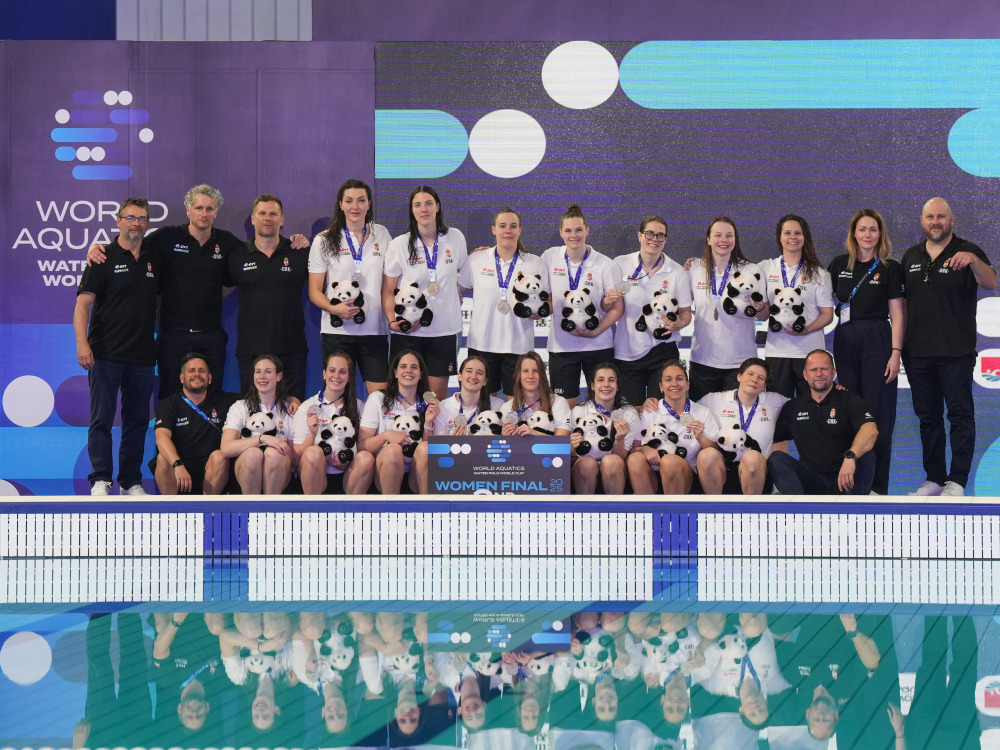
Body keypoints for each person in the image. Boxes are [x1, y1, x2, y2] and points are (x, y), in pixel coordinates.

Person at [86, 184, 309, 398]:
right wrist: (99, 248)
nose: (204, 213)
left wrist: (296, 240)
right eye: (199, 208)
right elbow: (132, 243)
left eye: (209, 209)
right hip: (173, 335)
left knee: (212, 398)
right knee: (169, 397)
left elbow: (259, 250)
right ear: (188, 210)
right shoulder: (166, 237)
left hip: (211, 335)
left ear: (216, 213)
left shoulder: (228, 243)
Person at [901, 197, 997, 497]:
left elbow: (991, 282)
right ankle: (934, 478)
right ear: (922, 220)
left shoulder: (968, 251)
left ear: (952, 219)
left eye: (941, 217)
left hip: (956, 353)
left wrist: (974, 262)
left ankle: (957, 480)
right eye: (930, 217)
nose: (935, 222)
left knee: (960, 416)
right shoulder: (911, 255)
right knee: (928, 419)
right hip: (917, 355)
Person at [74, 197, 159, 496]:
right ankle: (100, 478)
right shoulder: (102, 257)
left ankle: (131, 481)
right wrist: (82, 344)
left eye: (142, 218)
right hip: (105, 354)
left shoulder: (155, 257)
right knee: (101, 421)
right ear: (118, 220)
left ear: (147, 223)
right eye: (130, 218)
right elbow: (83, 305)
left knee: (137, 423)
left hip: (143, 357)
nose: (136, 223)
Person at [827, 209, 905, 496]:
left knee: (879, 413)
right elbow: (817, 298)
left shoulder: (890, 267)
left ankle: (877, 487)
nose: (868, 234)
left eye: (873, 229)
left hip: (878, 339)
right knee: (849, 410)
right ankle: (850, 484)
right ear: (853, 233)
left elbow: (898, 314)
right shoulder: (838, 265)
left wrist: (895, 352)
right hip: (845, 339)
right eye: (862, 229)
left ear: (880, 234)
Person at [381, 186, 468, 400]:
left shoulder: (455, 237)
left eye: (428, 203)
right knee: (404, 398)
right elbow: (388, 291)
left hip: (443, 331)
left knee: (435, 399)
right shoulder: (399, 244)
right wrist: (393, 322)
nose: (424, 209)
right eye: (417, 205)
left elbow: (463, 273)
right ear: (412, 210)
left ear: (437, 206)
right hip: (409, 332)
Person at [308, 179, 392, 395]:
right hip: (337, 331)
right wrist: (334, 308)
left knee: (381, 397)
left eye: (361, 200)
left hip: (374, 329)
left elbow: (392, 280)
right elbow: (314, 291)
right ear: (341, 204)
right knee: (339, 396)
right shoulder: (324, 240)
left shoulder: (382, 234)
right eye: (349, 201)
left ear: (369, 204)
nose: (355, 206)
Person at [227, 194, 311, 400]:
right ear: (253, 219)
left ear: (282, 219)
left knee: (294, 410)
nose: (267, 218)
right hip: (251, 350)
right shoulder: (237, 255)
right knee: (253, 412)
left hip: (292, 348)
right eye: (262, 213)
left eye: (273, 214)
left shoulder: (299, 252)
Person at [542, 204, 624, 408]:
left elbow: (617, 308)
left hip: (599, 346)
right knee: (563, 406)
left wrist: (596, 331)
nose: (574, 235)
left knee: (602, 404)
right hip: (562, 346)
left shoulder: (606, 264)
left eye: (579, 230)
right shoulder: (550, 257)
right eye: (568, 230)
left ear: (587, 230)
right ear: (561, 232)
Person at [460, 207, 548, 396]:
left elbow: (546, 301)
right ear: (494, 229)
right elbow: (456, 288)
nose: (508, 230)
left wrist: (539, 313)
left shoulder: (535, 263)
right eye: (502, 226)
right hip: (482, 344)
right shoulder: (476, 259)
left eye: (513, 226)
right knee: (483, 405)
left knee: (516, 405)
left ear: (520, 230)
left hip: (519, 346)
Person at [767, 350, 878, 495]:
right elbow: (776, 439)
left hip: (845, 480)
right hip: (811, 482)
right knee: (776, 458)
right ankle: (799, 507)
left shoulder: (849, 400)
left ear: (834, 373)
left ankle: (851, 507)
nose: (819, 374)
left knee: (866, 456)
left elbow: (871, 430)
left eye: (824, 369)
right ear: (805, 375)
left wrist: (851, 457)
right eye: (813, 370)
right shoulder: (793, 407)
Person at [612, 215, 692, 407]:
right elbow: (609, 304)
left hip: (663, 351)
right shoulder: (620, 264)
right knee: (631, 412)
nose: (654, 239)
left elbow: (686, 312)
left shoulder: (677, 272)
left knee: (662, 413)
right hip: (628, 352)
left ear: (665, 240)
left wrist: (679, 324)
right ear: (640, 235)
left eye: (660, 235)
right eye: (649, 234)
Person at [757, 214, 834, 398]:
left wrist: (807, 330)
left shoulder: (818, 273)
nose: (793, 237)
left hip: (810, 352)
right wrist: (759, 307)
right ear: (779, 237)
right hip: (776, 351)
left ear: (805, 237)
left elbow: (827, 314)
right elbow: (763, 316)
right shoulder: (765, 268)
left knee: (811, 407)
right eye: (787, 233)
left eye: (798, 233)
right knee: (777, 407)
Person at [688, 217, 764, 401]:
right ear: (708, 239)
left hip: (741, 363)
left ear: (735, 239)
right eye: (718, 235)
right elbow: (682, 307)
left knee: (737, 416)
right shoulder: (694, 268)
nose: (724, 240)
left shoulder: (751, 270)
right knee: (703, 414)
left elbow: (764, 314)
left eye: (729, 235)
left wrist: (760, 307)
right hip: (702, 360)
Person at [697, 358, 788, 495]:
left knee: (751, 457)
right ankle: (715, 506)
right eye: (750, 374)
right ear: (739, 376)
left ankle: (752, 507)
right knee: (706, 455)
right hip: (723, 471)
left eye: (760, 378)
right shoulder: (713, 400)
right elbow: (687, 409)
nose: (754, 380)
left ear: (765, 385)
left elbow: (802, 405)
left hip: (757, 472)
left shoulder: (775, 401)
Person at [628, 360, 720, 495]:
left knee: (669, 461)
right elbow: (633, 449)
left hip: (686, 473)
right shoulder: (650, 411)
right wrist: (645, 449)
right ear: (661, 386)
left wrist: (701, 437)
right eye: (668, 380)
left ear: (687, 384)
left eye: (679, 379)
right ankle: (647, 506)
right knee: (635, 459)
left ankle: (673, 508)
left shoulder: (702, 412)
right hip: (654, 473)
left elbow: (715, 451)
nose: (674, 384)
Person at [293, 351, 375, 495]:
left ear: (349, 377)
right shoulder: (307, 407)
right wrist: (312, 435)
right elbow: (296, 458)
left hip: (347, 476)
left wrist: (346, 460)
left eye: (342, 372)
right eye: (332, 370)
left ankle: (351, 507)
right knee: (313, 452)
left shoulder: (360, 407)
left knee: (366, 458)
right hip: (316, 477)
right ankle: (313, 507)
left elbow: (363, 446)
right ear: (324, 374)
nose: (336, 376)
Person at [152, 353, 236, 494]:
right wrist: (178, 464)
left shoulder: (225, 401)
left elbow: (256, 398)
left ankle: (208, 507)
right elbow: (161, 438)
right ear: (182, 377)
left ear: (209, 378)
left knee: (220, 456)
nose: (197, 374)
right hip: (179, 471)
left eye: (202, 370)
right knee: (163, 458)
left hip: (211, 471)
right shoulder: (168, 404)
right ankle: (172, 507)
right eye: (191, 370)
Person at [359, 350, 433, 493]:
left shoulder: (429, 404)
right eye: (403, 366)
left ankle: (426, 504)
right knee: (393, 450)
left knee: (426, 447)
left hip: (415, 474)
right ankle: (391, 505)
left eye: (414, 367)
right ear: (395, 373)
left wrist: (429, 423)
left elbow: (430, 453)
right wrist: (385, 436)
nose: (408, 371)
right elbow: (362, 446)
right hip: (384, 471)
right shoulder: (377, 398)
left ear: (421, 374)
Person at [221, 354, 296, 494]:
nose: (262, 376)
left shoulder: (290, 409)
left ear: (279, 376)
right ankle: (251, 505)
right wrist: (262, 439)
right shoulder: (240, 407)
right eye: (258, 371)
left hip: (281, 472)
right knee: (253, 454)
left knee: (273, 454)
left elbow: (295, 459)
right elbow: (226, 448)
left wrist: (282, 448)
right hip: (245, 469)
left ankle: (271, 505)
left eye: (268, 371)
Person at [570, 363, 640, 495]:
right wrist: (572, 448)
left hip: (616, 469)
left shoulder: (628, 413)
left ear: (618, 386)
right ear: (592, 385)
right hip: (584, 468)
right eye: (600, 380)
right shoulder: (579, 411)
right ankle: (585, 507)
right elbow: (571, 458)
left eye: (611, 380)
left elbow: (620, 457)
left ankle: (614, 507)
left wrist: (619, 439)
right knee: (586, 464)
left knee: (611, 461)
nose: (606, 384)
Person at [499, 351, 572, 436]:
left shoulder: (558, 403)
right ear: (519, 376)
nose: (530, 376)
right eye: (525, 371)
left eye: (535, 371)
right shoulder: (507, 408)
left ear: (542, 375)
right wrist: (506, 438)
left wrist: (535, 434)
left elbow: (561, 441)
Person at [431, 356, 506, 435]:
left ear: (485, 381)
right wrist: (452, 441)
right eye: (469, 371)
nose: (473, 376)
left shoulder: (498, 406)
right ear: (459, 376)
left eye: (479, 373)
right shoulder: (444, 407)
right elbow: (438, 442)